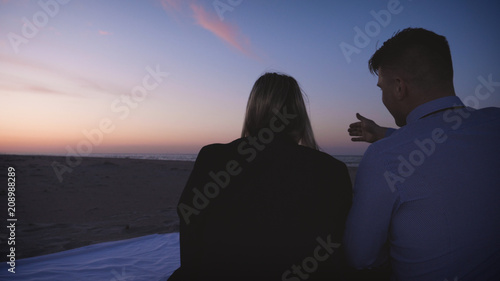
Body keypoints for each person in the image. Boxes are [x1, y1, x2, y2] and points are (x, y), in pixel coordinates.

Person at [344, 27, 500, 280]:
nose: (382, 96)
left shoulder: (384, 157)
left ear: (399, 88)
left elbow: (360, 257)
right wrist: (384, 133)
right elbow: (445, 140)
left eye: (381, 88)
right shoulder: (494, 123)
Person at [168, 72, 353, 280]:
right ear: (299, 114)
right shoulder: (331, 170)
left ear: (253, 111)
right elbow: (339, 245)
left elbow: (190, 227)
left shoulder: (213, 157)